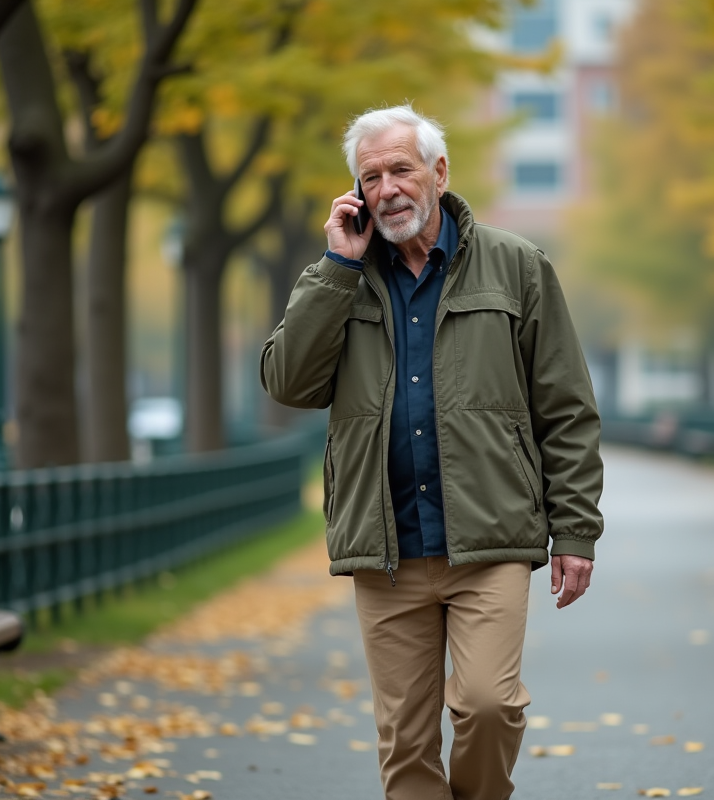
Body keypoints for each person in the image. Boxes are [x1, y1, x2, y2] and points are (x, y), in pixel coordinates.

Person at [260, 104, 603, 800]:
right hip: (387, 550)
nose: (387, 188)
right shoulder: (337, 276)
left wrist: (575, 530)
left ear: (439, 173)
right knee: (407, 741)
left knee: (487, 704)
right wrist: (335, 267)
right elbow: (288, 383)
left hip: (488, 539)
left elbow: (565, 408)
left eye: (401, 169)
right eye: (370, 176)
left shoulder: (518, 267)